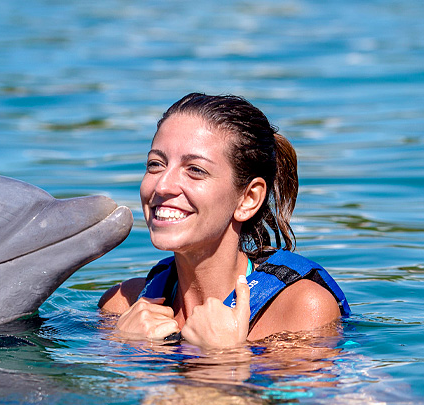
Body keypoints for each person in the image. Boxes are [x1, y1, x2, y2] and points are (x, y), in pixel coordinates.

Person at [99, 93, 350, 348]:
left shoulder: (301, 310)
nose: (162, 185)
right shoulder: (121, 305)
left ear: (248, 199)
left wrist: (226, 357)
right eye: (155, 164)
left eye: (195, 170)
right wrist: (123, 348)